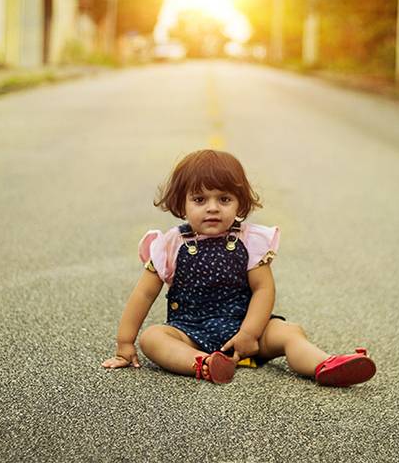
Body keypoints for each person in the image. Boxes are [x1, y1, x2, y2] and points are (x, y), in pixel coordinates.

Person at [101, 149, 376, 386]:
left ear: (239, 202)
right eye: (200, 200)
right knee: (153, 338)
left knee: (290, 332)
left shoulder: (248, 240)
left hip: (248, 330)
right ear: (181, 203)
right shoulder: (170, 244)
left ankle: (325, 365)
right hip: (190, 332)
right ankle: (204, 364)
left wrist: (249, 334)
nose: (213, 208)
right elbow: (143, 294)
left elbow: (263, 289)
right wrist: (126, 343)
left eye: (224, 199)